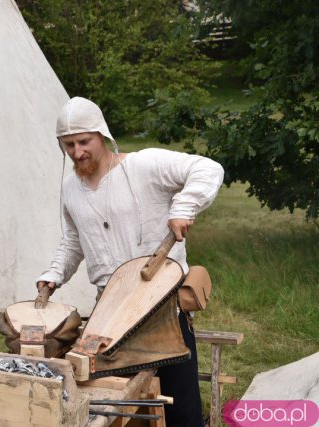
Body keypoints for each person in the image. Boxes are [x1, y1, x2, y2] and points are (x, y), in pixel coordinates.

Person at [36, 97, 224, 427]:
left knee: (181, 410)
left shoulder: (144, 165)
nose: (78, 152)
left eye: (84, 141)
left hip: (163, 309)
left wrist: (184, 207)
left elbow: (207, 168)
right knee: (121, 405)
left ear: (102, 135)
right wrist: (54, 274)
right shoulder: (70, 188)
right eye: (69, 145)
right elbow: (73, 241)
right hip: (109, 314)